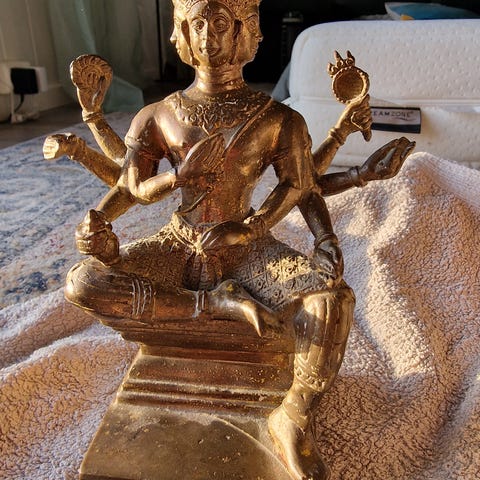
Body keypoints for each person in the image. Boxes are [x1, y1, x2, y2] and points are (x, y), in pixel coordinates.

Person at [44, 1, 414, 478]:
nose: (207, 36)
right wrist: (97, 225)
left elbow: (300, 185)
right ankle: (214, 305)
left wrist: (312, 238)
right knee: (83, 281)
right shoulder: (158, 114)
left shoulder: (278, 118)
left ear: (244, 30)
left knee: (332, 301)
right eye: (197, 23)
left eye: (219, 23)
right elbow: (130, 188)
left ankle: (293, 414)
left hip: (246, 246)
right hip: (179, 241)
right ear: (181, 31)